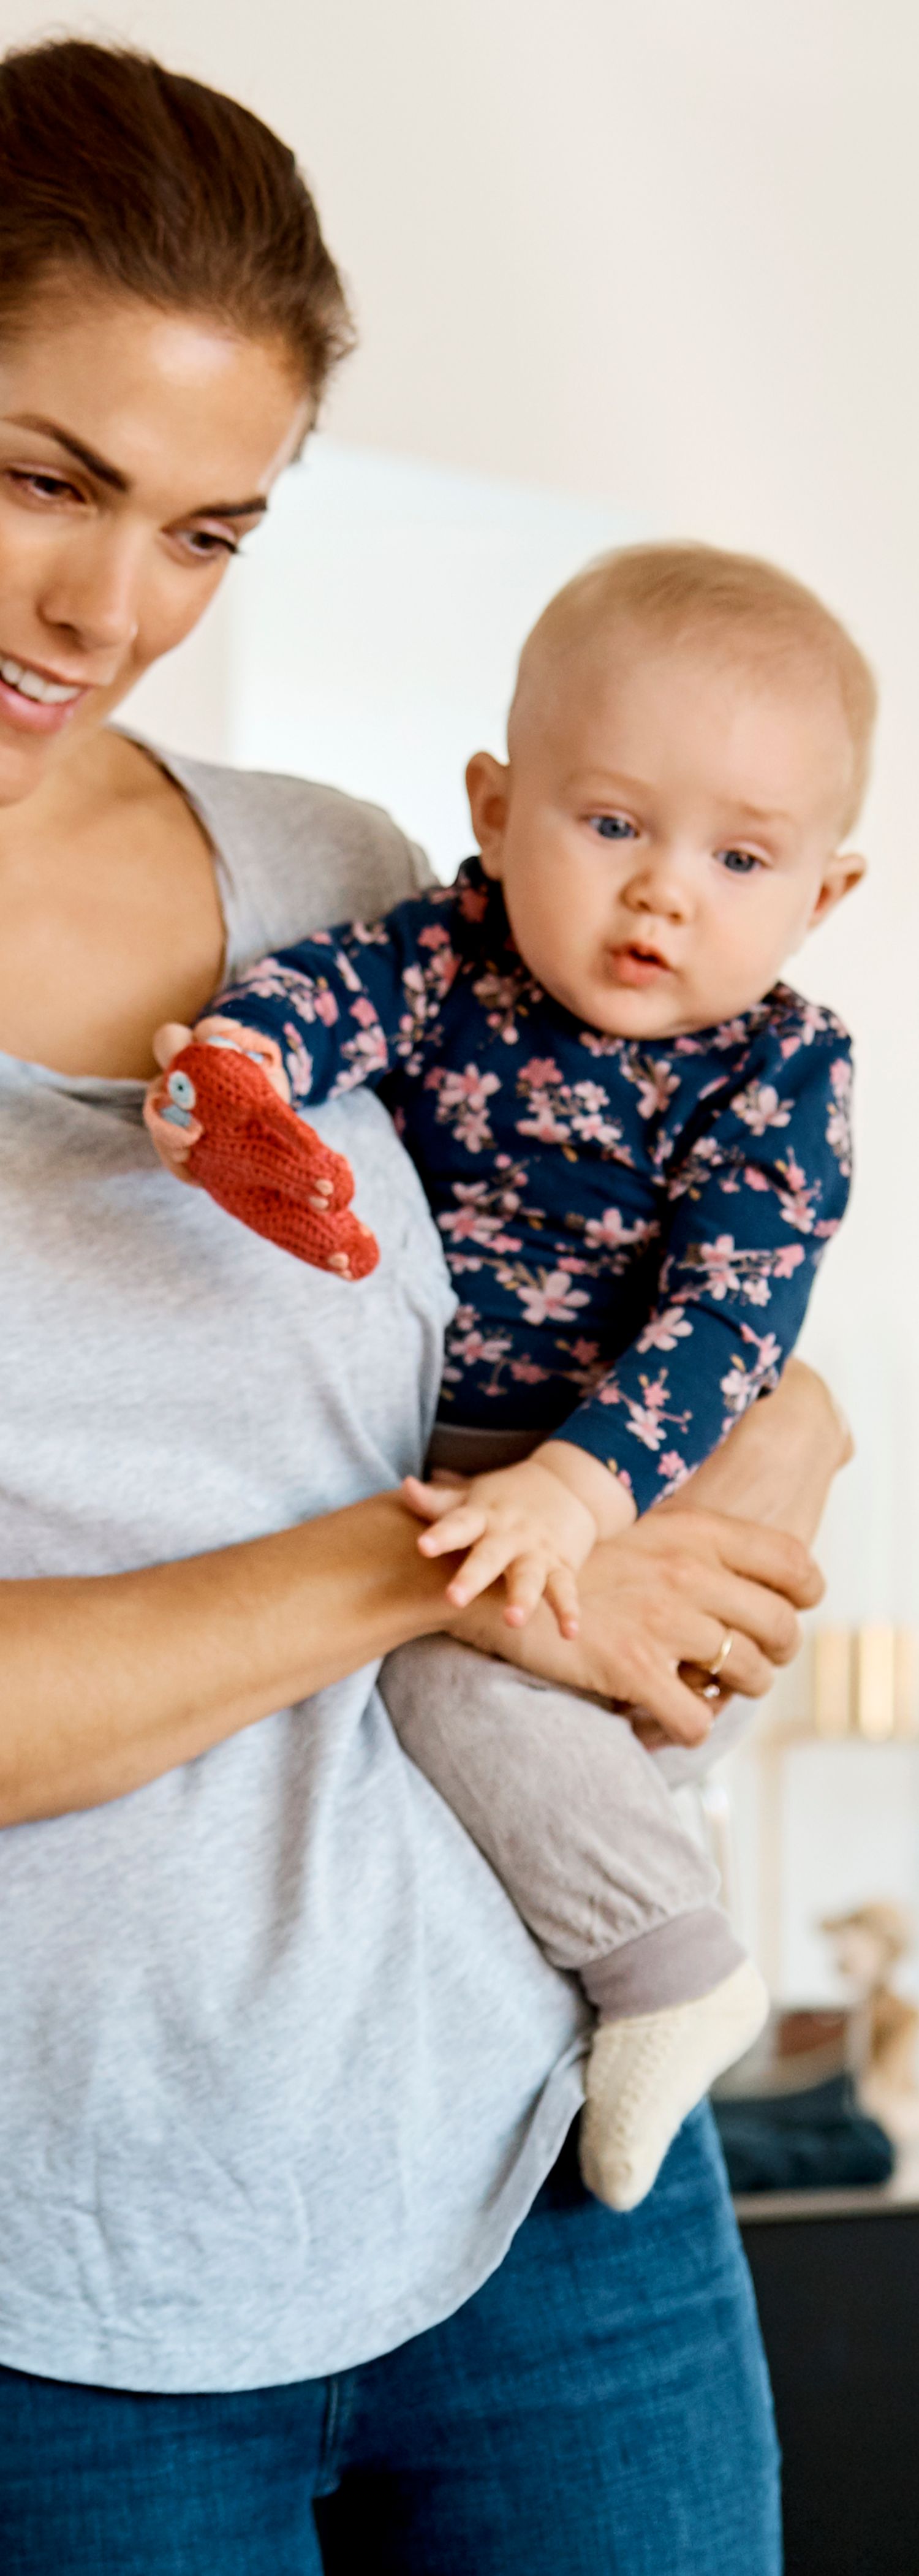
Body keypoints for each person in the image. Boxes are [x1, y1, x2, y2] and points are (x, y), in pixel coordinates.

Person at [0, 36, 845, 2575]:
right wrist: (454, 1564)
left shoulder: (331, 870)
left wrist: (761, 1469)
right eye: (42, 478)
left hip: (544, 2170)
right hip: (85, 2271)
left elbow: (664, 1277)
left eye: (206, 530)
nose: (107, 612)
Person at [146, 539, 869, 2210]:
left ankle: (676, 1969)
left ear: (821, 898)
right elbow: (320, 998)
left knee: (454, 1684)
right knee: (379, 1706)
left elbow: (731, 1318)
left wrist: (574, 1489)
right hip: (431, 1454)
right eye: (610, 824)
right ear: (494, 806)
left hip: (623, 1468)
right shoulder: (453, 952)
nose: (662, 893)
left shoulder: (776, 1066)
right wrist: (234, 1073)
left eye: (739, 856)